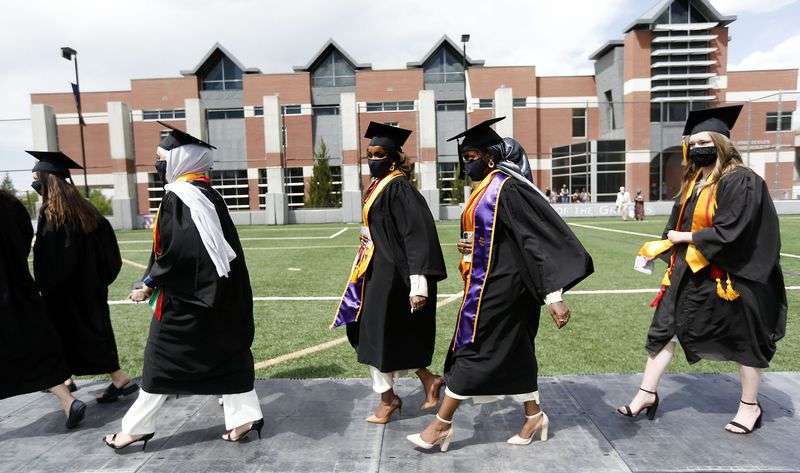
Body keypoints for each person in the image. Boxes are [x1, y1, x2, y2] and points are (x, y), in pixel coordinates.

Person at [407, 118, 593, 452]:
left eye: (473, 155)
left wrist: (553, 295)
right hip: (491, 284)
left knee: (473, 350)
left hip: (505, 289)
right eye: (463, 157)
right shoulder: (486, 188)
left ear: (491, 157)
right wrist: (473, 244)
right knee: (516, 352)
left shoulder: (507, 188)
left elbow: (535, 240)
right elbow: (499, 237)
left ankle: (441, 424)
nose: (467, 162)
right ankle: (534, 416)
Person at [618, 105, 787, 435]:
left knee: (745, 339)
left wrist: (684, 237)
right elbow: (674, 225)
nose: (696, 149)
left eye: (703, 143)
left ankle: (750, 407)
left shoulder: (743, 181)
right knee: (663, 327)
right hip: (688, 270)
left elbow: (732, 230)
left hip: (732, 274)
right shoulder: (694, 182)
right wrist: (662, 248)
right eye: (692, 144)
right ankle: (646, 394)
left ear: (722, 143)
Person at [105, 122, 262, 450]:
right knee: (228, 354)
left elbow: (179, 252)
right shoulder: (206, 193)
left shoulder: (180, 196)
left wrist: (149, 282)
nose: (157, 164)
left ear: (180, 161)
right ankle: (244, 419)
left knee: (159, 359)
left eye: (161, 157)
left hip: (191, 301)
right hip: (221, 295)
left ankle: (135, 428)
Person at [332, 122, 447, 424]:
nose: (372, 160)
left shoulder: (399, 188)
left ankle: (388, 399)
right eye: (369, 154)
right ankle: (428, 380)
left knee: (377, 337)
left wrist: (419, 283)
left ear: (394, 158)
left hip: (395, 277)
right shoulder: (379, 185)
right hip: (376, 272)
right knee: (380, 336)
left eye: (379, 154)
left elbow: (417, 235)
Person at [28, 150, 138, 403]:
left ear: (46, 179)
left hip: (64, 292)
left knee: (62, 334)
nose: (34, 183)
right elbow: (111, 253)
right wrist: (99, 280)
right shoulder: (86, 208)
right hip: (91, 289)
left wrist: (45, 287)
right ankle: (81, 378)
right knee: (94, 332)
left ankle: (109, 379)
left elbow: (53, 259)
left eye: (36, 177)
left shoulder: (53, 213)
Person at [0, 189, 86, 429]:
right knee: (37, 349)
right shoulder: (10, 203)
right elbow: (26, 235)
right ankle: (68, 400)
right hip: (22, 288)